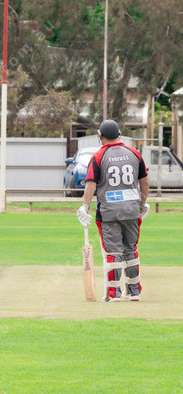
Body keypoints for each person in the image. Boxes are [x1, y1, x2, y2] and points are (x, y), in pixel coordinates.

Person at [77, 120, 149, 302]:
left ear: (100, 136)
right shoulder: (134, 153)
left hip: (109, 212)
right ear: (119, 135)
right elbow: (144, 181)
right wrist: (142, 202)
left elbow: (91, 184)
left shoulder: (98, 156)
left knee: (113, 252)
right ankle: (133, 292)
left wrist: (85, 206)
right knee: (130, 250)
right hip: (132, 210)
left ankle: (113, 294)